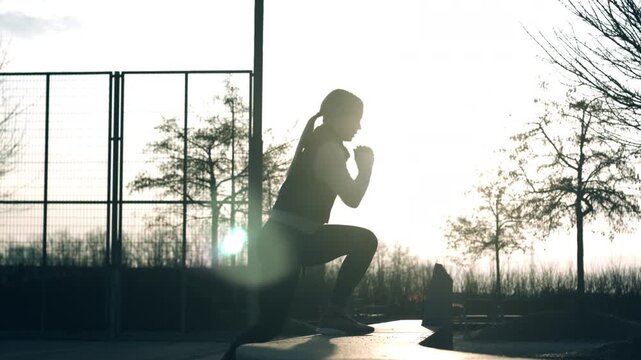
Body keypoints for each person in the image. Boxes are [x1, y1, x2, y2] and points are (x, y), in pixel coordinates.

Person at [221, 89, 377, 359]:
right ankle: (335, 313)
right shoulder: (327, 148)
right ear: (339, 116)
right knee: (269, 326)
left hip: (294, 239)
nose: (359, 126)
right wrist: (366, 168)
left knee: (269, 325)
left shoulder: (323, 142)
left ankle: (334, 312)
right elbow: (352, 198)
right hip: (287, 242)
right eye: (356, 119)